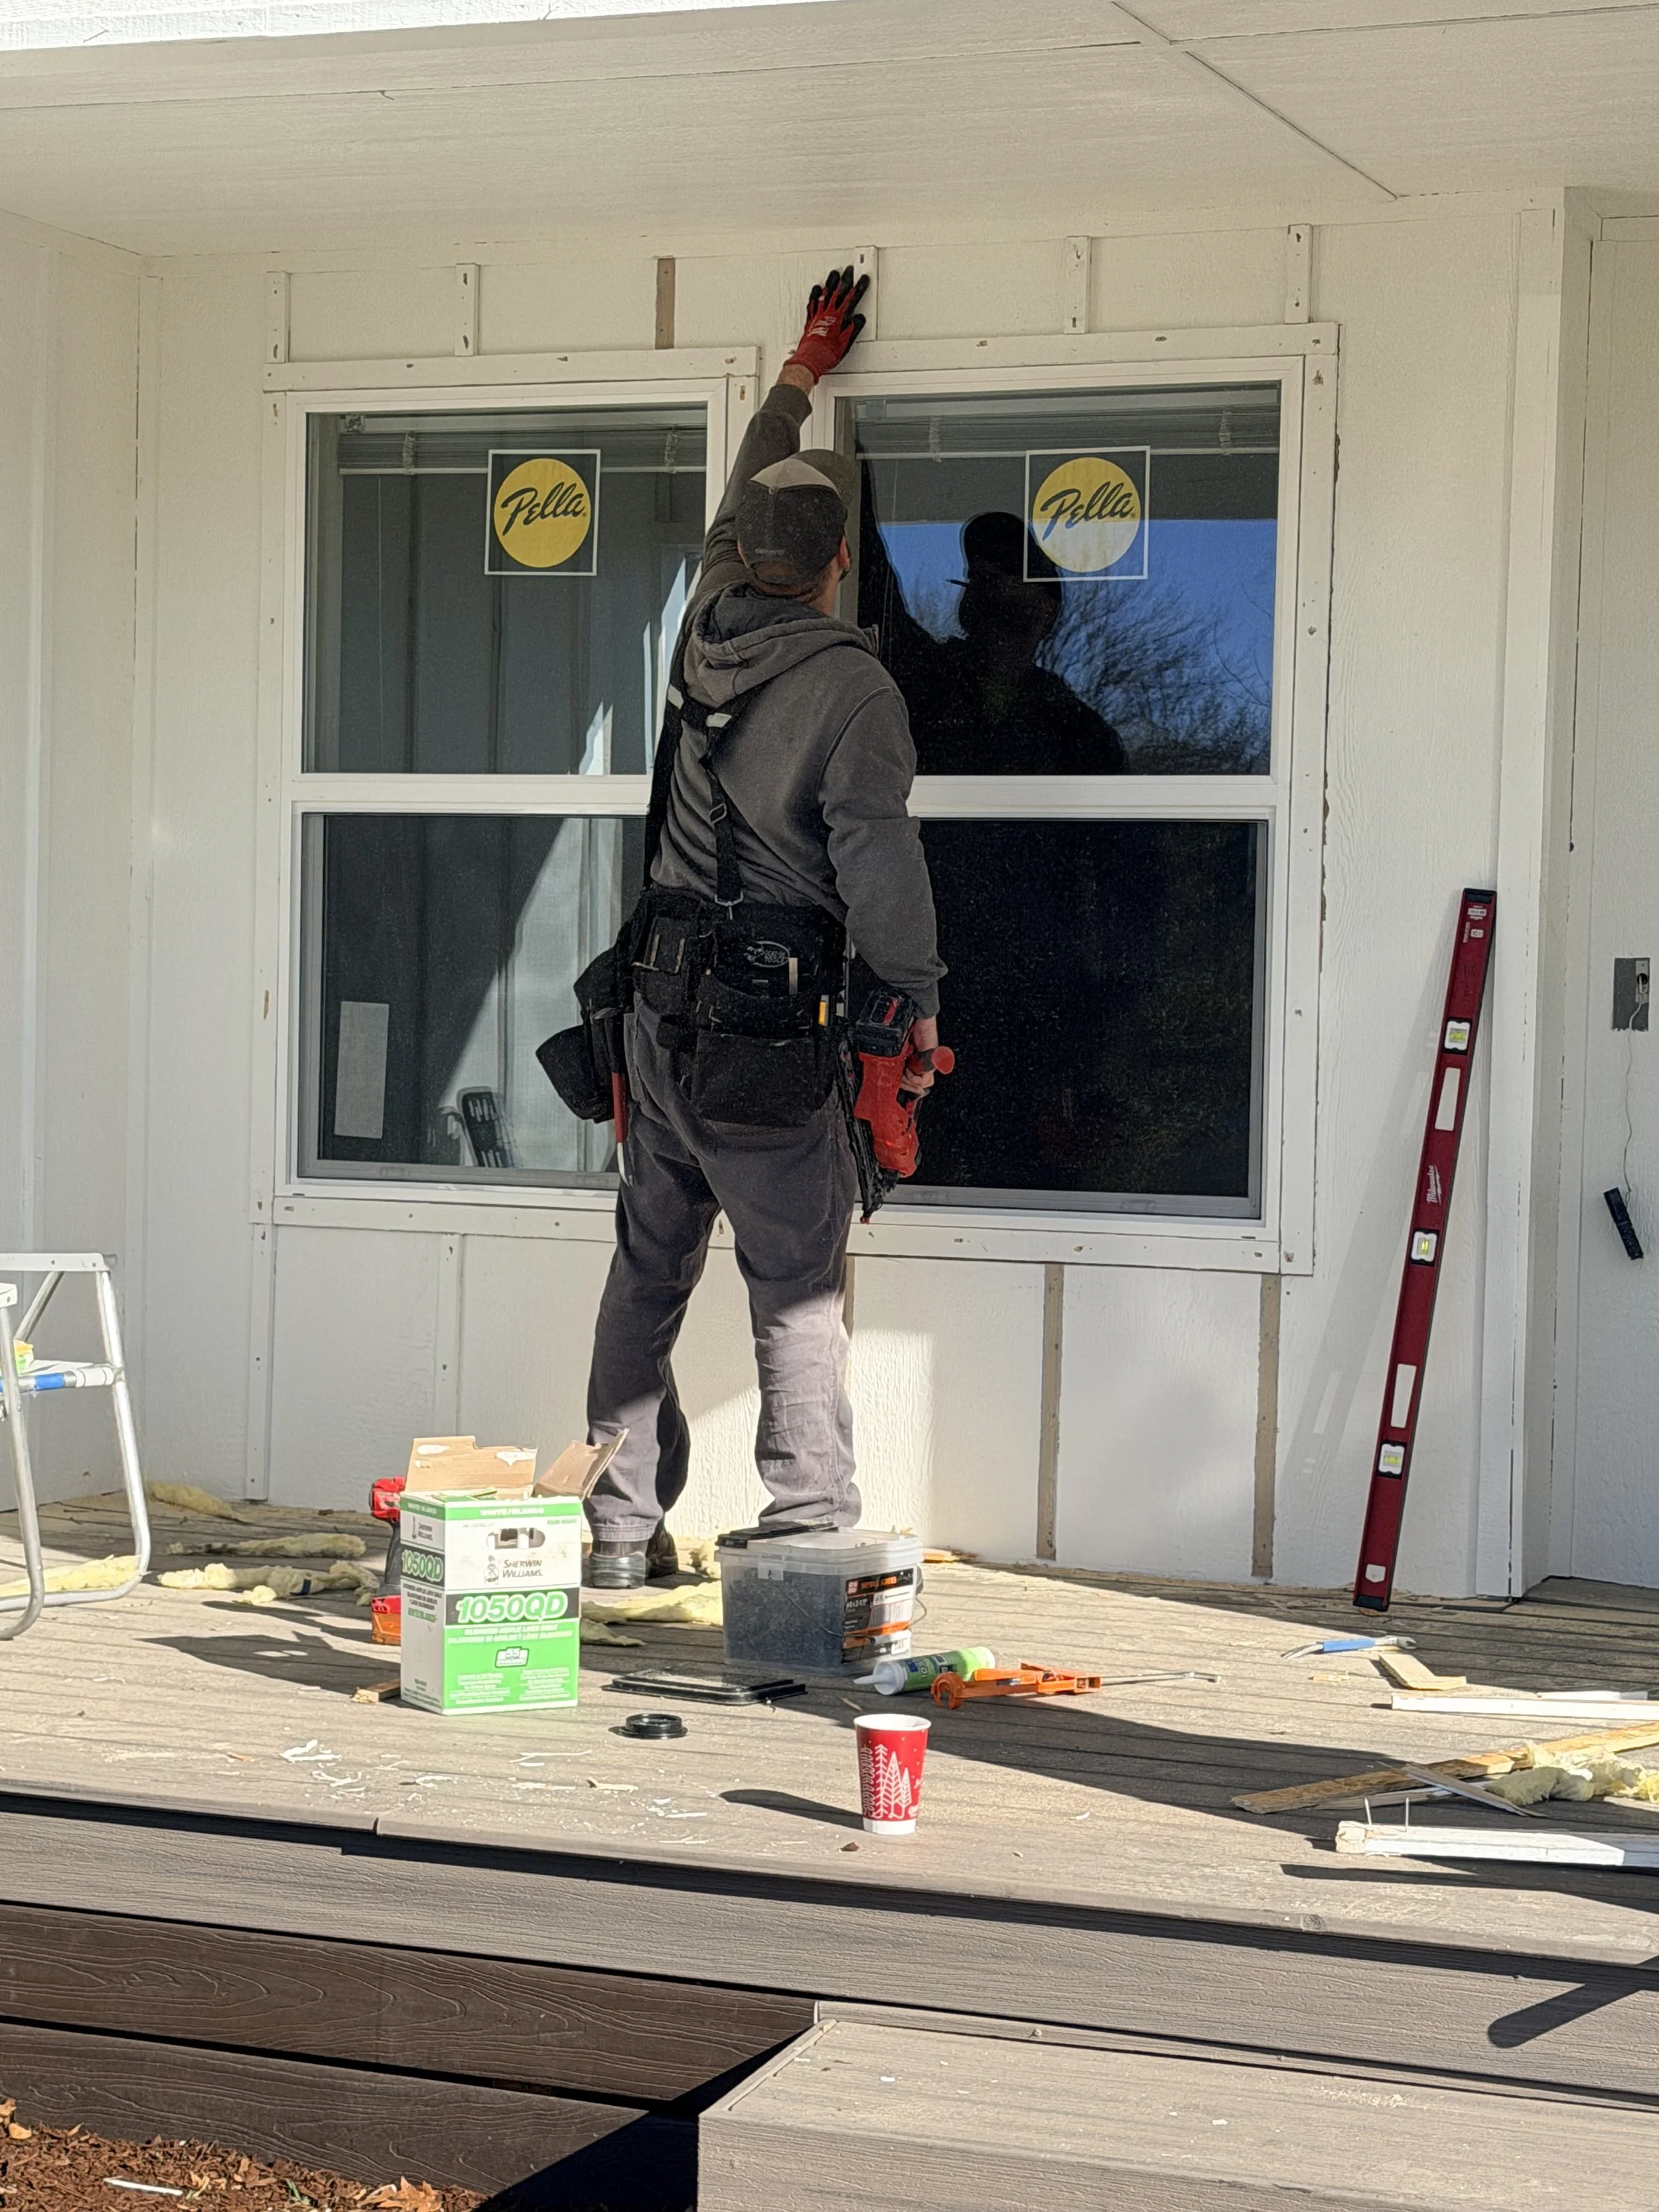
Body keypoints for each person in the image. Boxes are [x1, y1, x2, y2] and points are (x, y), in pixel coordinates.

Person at [582, 269, 945, 1589]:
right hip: (763, 1041)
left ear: (746, 557)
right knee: (797, 1291)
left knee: (644, 1280)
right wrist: (913, 1006)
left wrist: (798, 374)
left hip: (658, 1019)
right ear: (838, 567)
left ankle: (615, 1539)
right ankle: (801, 1546)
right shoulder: (851, 689)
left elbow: (749, 485)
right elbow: (880, 866)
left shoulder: (699, 631)